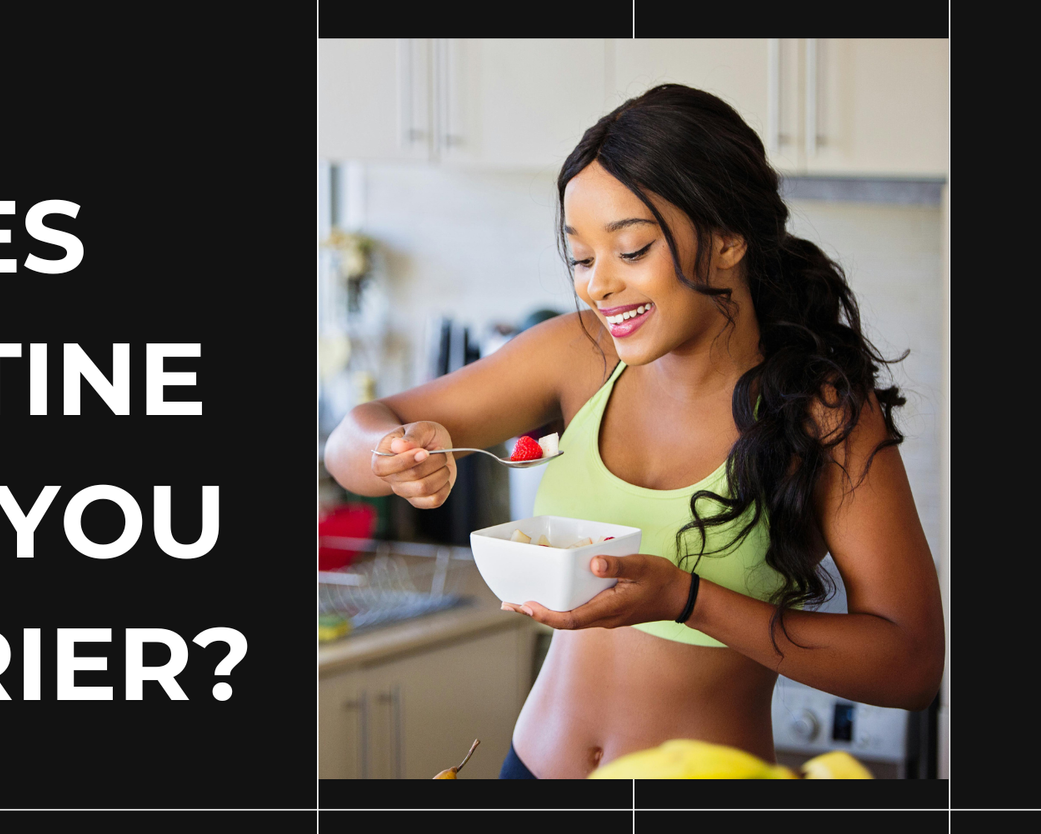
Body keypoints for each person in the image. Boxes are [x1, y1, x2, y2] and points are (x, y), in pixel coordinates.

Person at [322, 84, 945, 778]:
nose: (596, 287)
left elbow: (911, 665)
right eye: (583, 259)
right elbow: (350, 438)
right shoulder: (576, 354)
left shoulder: (819, 412)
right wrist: (389, 456)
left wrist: (687, 600)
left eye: (632, 249)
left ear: (729, 239)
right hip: (532, 768)